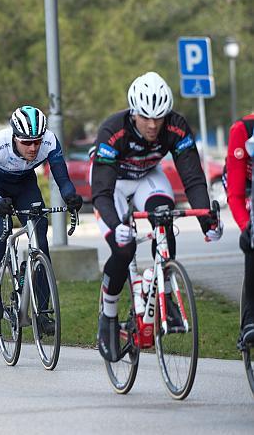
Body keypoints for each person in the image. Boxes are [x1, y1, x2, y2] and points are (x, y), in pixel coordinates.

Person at [91, 71, 222, 362]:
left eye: (159, 118)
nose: (152, 125)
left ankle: (165, 291)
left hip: (147, 176)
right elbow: (100, 191)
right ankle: (108, 315)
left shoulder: (175, 126)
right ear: (134, 112)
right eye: (146, 118)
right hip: (112, 184)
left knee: (164, 216)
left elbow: (193, 177)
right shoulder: (113, 130)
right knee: (123, 249)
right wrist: (115, 225)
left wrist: (207, 220)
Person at [0, 106, 82, 331]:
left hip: (25, 184)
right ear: (14, 136)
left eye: (37, 141)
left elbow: (62, 179)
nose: (33, 148)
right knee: (2, 231)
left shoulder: (49, 141)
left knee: (41, 243)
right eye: (26, 142)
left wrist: (70, 197)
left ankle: (43, 312)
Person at [225, 112, 254, 348]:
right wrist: (247, 227)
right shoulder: (243, 129)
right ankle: (250, 322)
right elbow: (235, 195)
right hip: (249, 189)